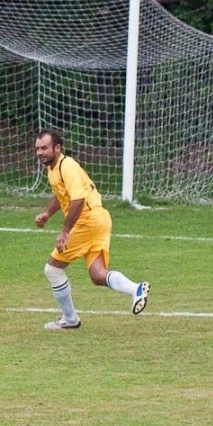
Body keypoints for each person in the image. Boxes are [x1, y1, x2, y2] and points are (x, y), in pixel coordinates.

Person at [34, 129, 150, 330]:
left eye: (44, 148)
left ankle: (70, 319)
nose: (40, 152)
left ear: (57, 148)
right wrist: (47, 213)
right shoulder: (53, 169)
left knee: (52, 269)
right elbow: (62, 194)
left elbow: (78, 199)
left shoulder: (66, 166)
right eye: (37, 149)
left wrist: (65, 231)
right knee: (98, 275)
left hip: (87, 221)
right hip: (99, 219)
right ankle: (136, 289)